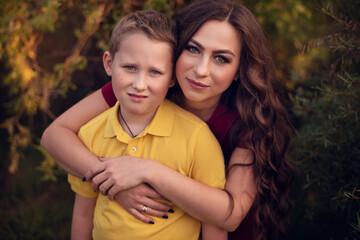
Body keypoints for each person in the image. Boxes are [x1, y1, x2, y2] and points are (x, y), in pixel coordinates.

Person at [41, 0, 294, 239]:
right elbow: (55, 135)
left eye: (221, 58)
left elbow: (230, 216)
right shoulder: (145, 90)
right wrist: (116, 186)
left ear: (239, 70)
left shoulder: (247, 123)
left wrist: (145, 169)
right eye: (193, 49)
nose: (201, 69)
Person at [66, 9, 227, 240]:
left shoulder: (197, 138)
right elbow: (83, 215)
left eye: (155, 72)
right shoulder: (90, 134)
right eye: (130, 68)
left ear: (172, 77)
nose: (140, 84)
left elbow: (214, 222)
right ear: (109, 63)